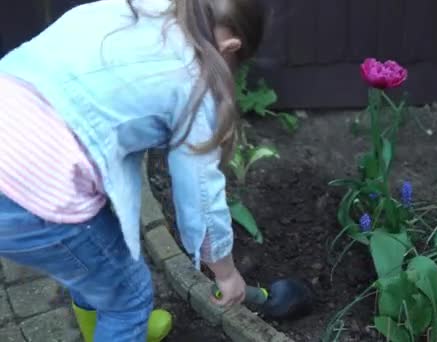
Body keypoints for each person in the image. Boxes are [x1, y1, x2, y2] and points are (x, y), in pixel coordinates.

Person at [0, 0, 265, 340]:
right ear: (230, 48)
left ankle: (100, 330)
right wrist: (226, 273)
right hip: (32, 194)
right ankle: (119, 327)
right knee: (129, 296)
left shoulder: (122, 9)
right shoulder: (194, 84)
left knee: (97, 266)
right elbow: (200, 196)